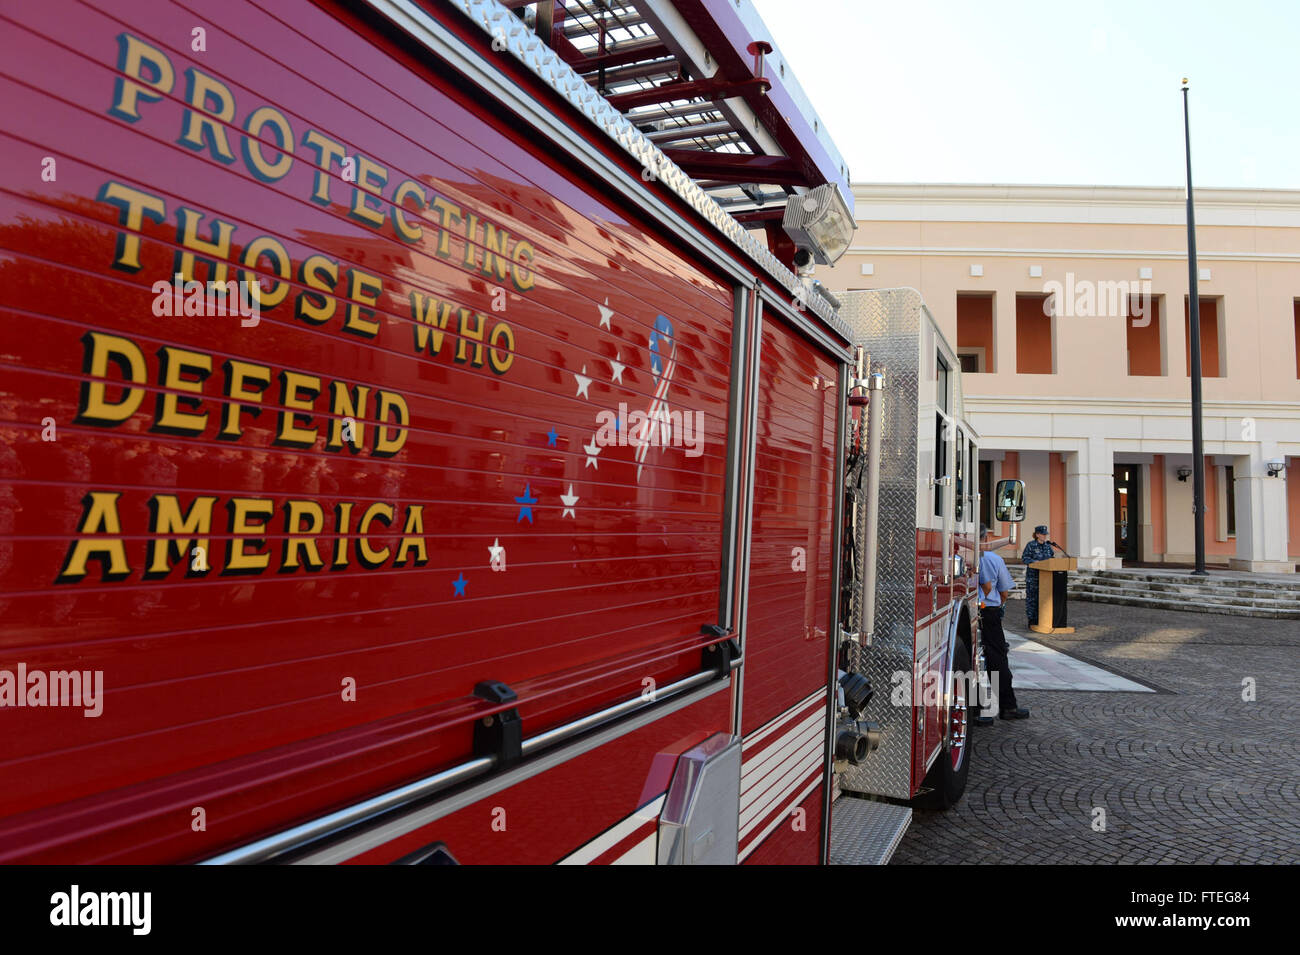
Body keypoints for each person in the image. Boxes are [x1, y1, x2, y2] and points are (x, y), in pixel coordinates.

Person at [976, 524, 1029, 723]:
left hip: (972, 611)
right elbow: (1003, 591)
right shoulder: (993, 559)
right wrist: (999, 605)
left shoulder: (966, 555)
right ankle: (1008, 706)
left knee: (972, 663)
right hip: (989, 613)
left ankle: (976, 709)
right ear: (984, 537)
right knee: (997, 660)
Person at [1021, 525, 1055, 628]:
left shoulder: (1048, 547)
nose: (1045, 536)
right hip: (1033, 578)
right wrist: (1034, 562)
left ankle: (1043, 619)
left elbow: (1052, 559)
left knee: (1044, 599)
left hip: (1046, 579)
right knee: (1032, 600)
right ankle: (1032, 620)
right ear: (1037, 534)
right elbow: (1024, 558)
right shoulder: (1031, 545)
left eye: (1045, 534)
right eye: (1043, 534)